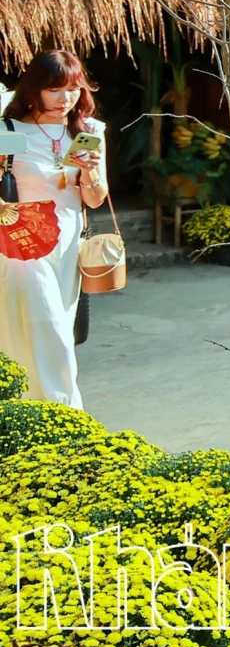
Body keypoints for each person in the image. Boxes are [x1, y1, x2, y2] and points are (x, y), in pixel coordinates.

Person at [0, 51, 108, 406]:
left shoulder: (87, 132)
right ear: (34, 90)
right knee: (43, 318)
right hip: (20, 241)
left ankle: (31, 405)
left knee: (57, 324)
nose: (66, 99)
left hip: (67, 242)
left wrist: (90, 170)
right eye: (55, 90)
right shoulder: (12, 132)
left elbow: (94, 199)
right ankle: (65, 407)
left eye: (73, 89)